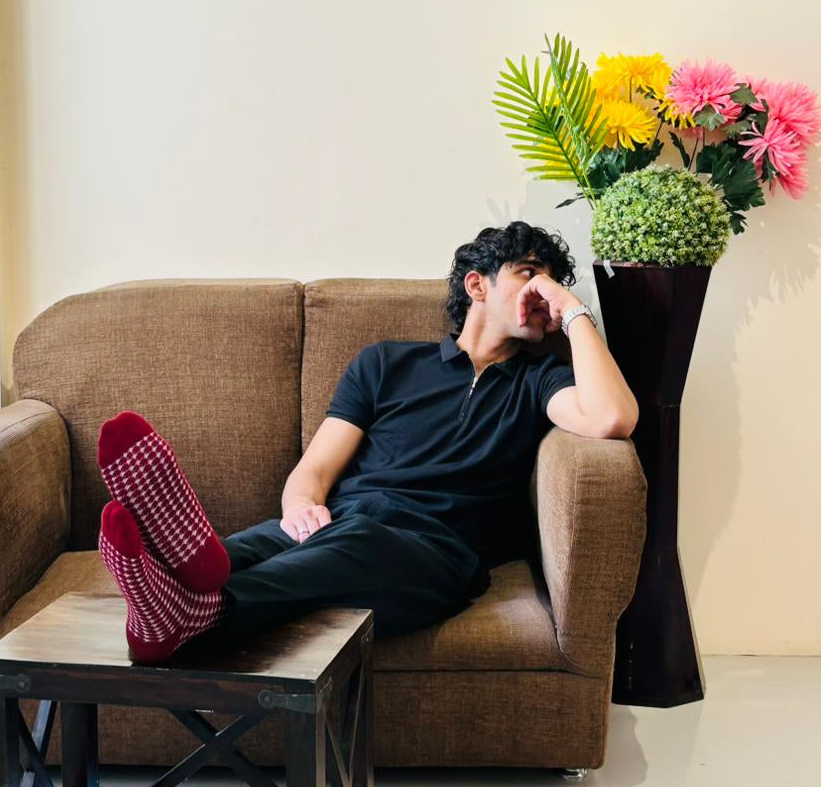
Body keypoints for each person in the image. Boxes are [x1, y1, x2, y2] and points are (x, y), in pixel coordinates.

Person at [96, 222, 639, 663]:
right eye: (529, 275)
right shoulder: (386, 363)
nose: (542, 292)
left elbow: (613, 416)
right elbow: (314, 471)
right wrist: (301, 507)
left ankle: (193, 604)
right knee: (257, 546)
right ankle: (171, 581)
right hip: (342, 522)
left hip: (435, 553)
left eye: (551, 284)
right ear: (478, 286)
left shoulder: (539, 380)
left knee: (358, 545)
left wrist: (572, 310)